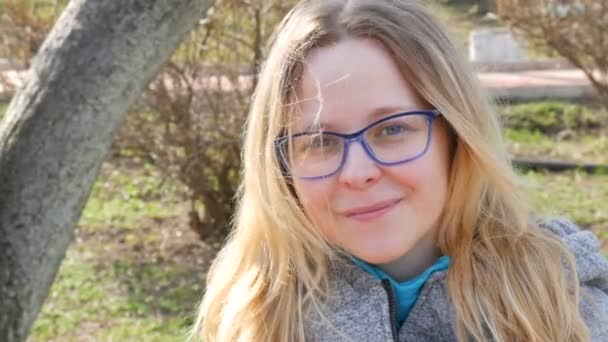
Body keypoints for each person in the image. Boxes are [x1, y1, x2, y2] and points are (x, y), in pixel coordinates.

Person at [189, 0, 608, 341]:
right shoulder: (250, 319)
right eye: (319, 141)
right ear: (281, 167)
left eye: (392, 129)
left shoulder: (563, 304)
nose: (357, 172)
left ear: (457, 136)